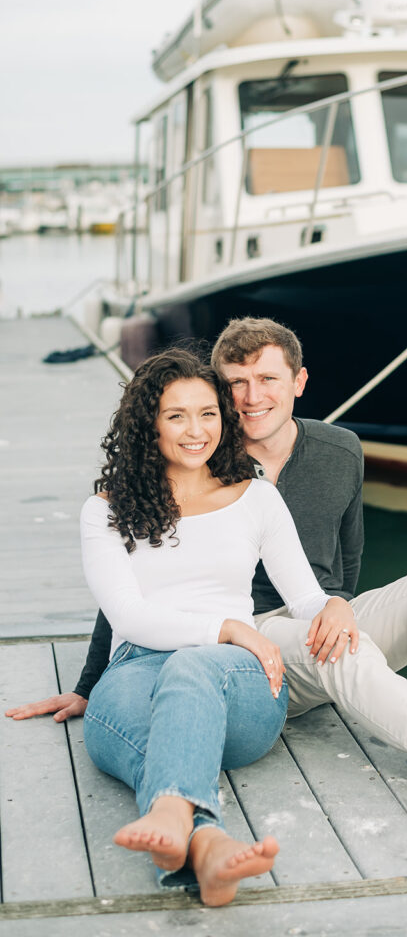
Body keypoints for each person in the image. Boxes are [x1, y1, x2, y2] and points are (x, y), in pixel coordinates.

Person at [7, 319, 407, 807]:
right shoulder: (204, 456)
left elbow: (346, 561)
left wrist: (337, 606)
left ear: (298, 382)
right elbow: (146, 580)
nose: (250, 397)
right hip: (245, 645)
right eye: (235, 384)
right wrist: (90, 681)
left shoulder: (340, 451)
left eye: (266, 379)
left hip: (312, 620)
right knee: (326, 646)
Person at [11, 348, 360, 907]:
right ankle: (207, 845)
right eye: (176, 416)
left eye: (208, 413)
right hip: (135, 672)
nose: (196, 431)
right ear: (149, 424)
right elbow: (127, 617)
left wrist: (335, 605)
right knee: (139, 718)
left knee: (193, 664)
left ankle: (175, 816)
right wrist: (228, 626)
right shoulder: (104, 511)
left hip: (236, 685)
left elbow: (306, 599)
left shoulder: (258, 500)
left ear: (224, 419)